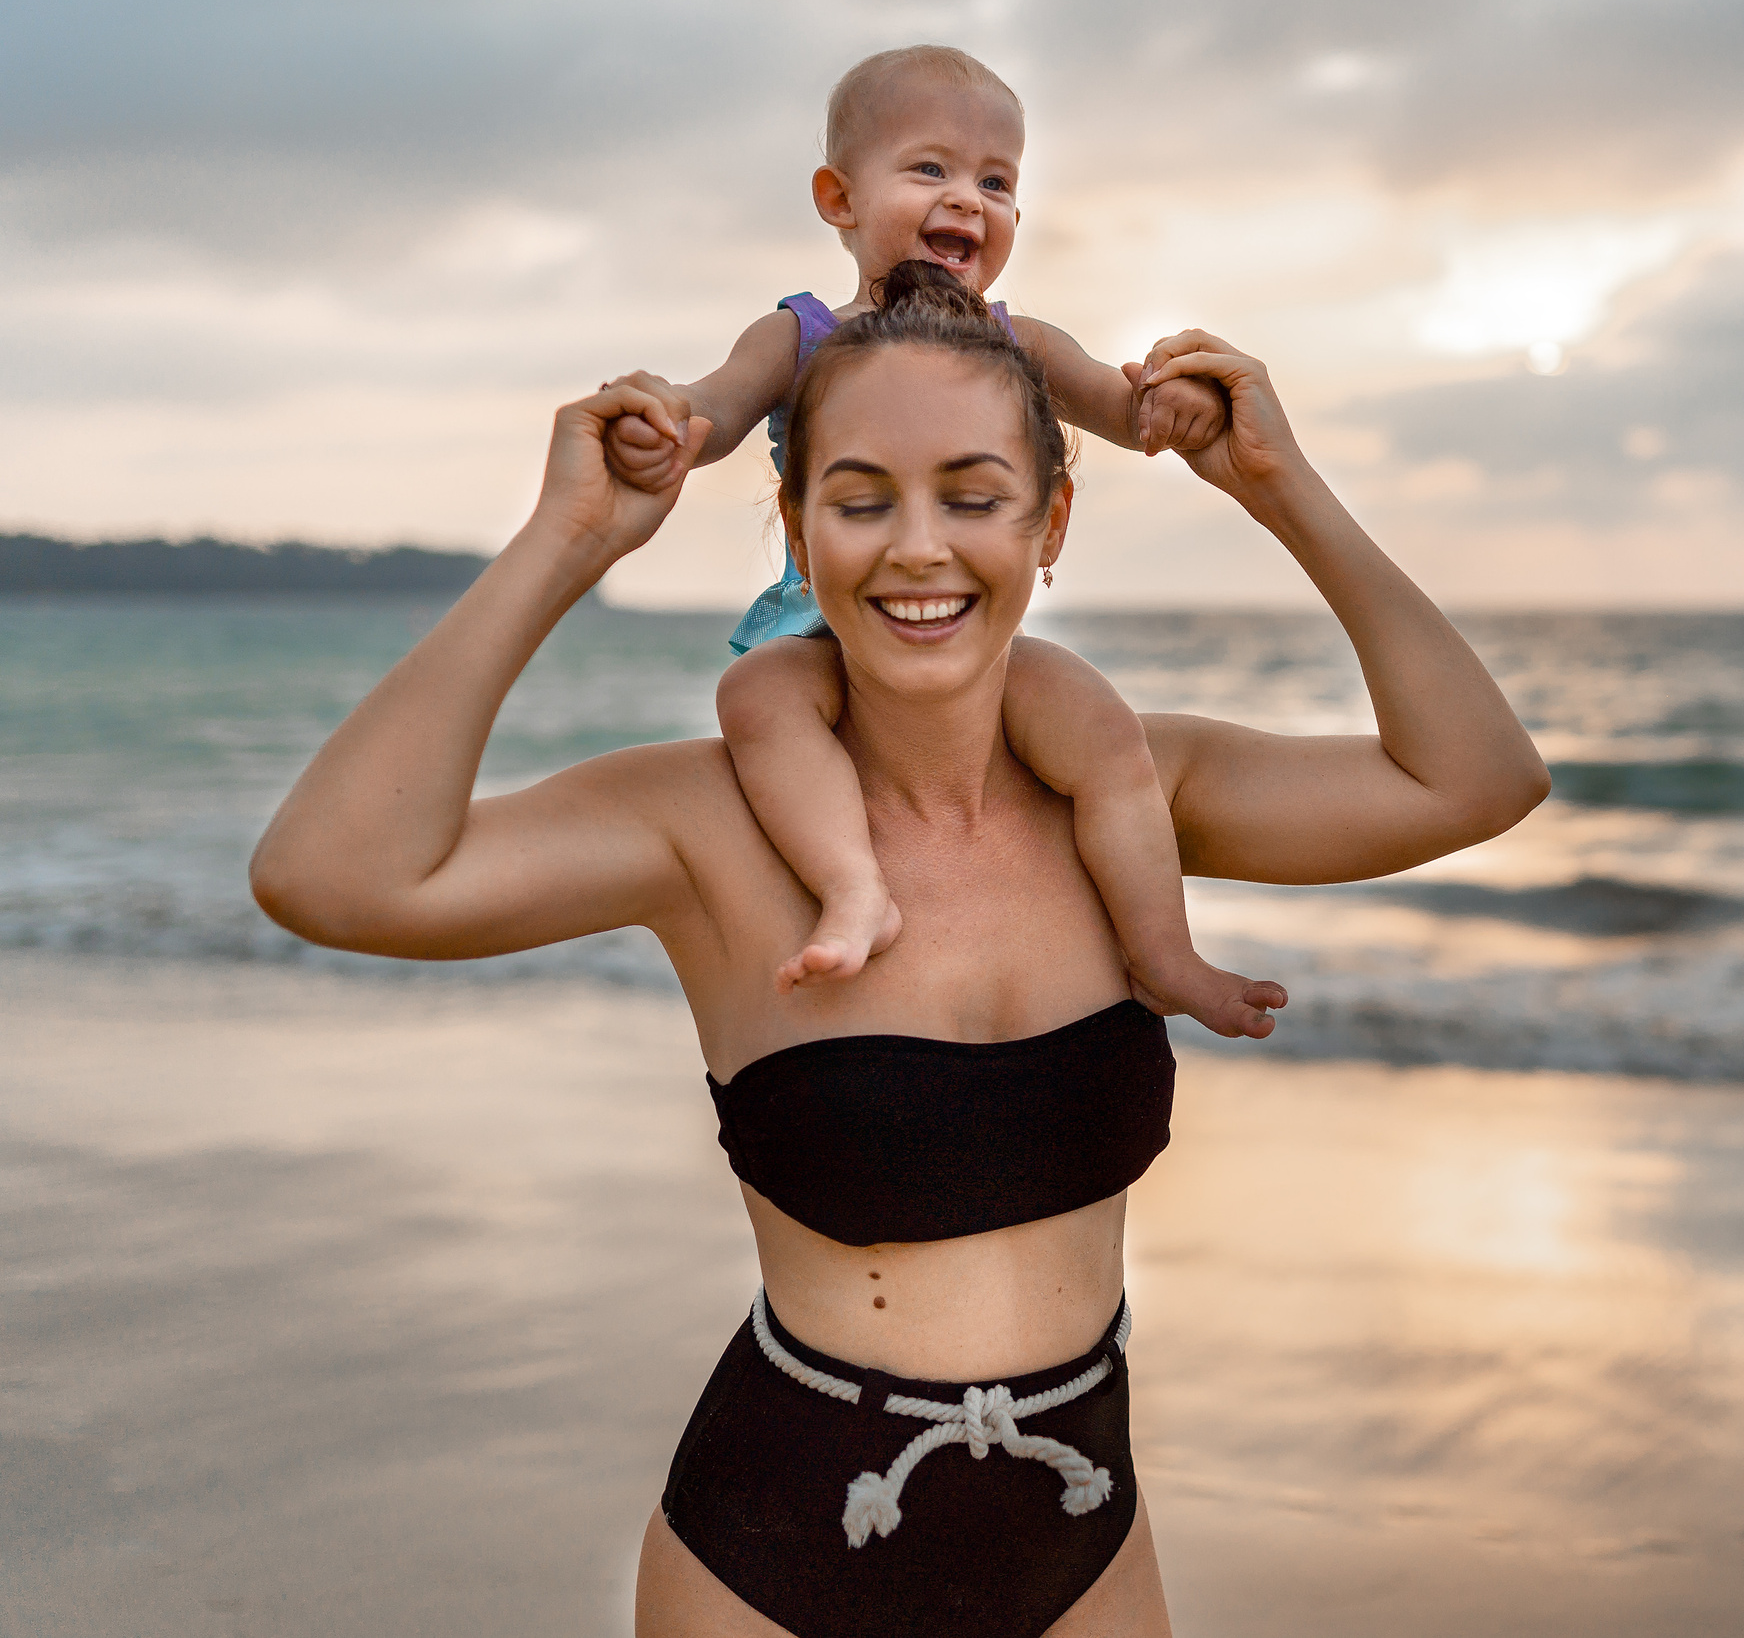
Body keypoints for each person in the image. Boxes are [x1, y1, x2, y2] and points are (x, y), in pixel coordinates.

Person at [247, 270, 1550, 1636]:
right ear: (797, 533)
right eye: (860, 501)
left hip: (1084, 1544)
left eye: (973, 497)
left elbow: (1477, 777)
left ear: (1051, 522)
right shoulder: (705, 822)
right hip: (776, 1557)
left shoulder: (1133, 796)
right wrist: (568, 543)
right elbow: (333, 876)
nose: (917, 548)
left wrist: (1278, 487)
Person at [603, 44, 1282, 1039]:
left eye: (996, 182)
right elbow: (713, 409)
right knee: (757, 698)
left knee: (1103, 731)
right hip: (827, 627)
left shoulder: (1020, 342)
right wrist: (663, 417)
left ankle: (1161, 951)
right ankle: (854, 888)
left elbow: (1124, 410)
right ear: (839, 198)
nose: (967, 197)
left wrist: (1178, 400)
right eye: (930, 169)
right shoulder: (798, 336)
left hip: (964, 647)